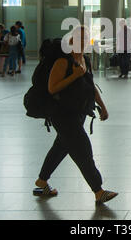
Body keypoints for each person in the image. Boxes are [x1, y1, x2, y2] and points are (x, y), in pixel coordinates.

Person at [34, 26, 118, 204]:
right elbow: (52, 88)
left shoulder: (85, 60)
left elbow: (90, 85)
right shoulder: (63, 62)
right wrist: (74, 75)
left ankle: (42, 181)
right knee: (83, 150)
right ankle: (98, 190)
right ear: (71, 41)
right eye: (79, 38)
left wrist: (102, 106)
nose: (83, 41)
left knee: (61, 147)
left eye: (85, 38)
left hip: (79, 113)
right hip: (62, 114)